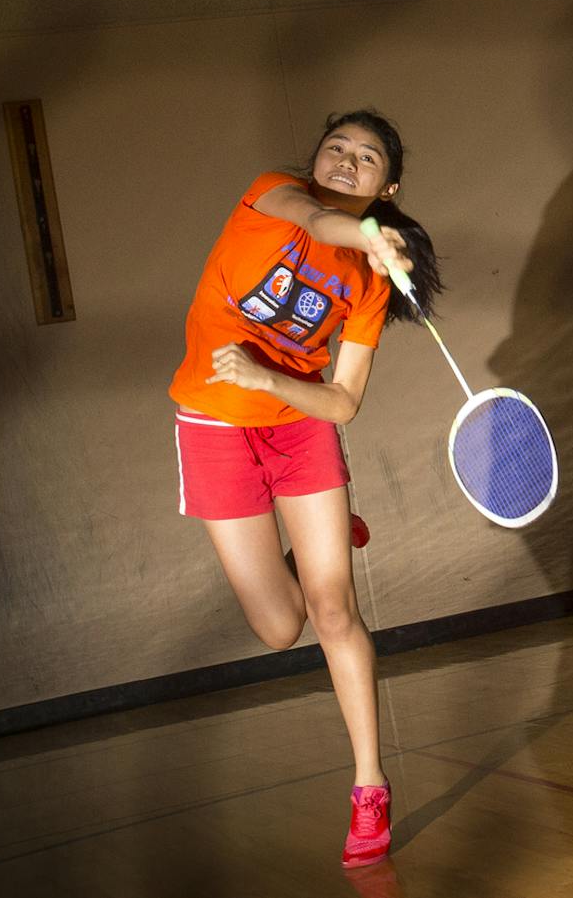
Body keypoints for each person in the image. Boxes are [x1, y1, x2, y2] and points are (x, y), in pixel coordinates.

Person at [168, 109, 442, 869]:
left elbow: (344, 400)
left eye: (367, 157)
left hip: (298, 428)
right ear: (314, 160)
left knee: (332, 609)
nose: (348, 160)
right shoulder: (271, 195)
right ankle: (321, 540)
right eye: (337, 148)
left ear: (388, 184)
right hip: (214, 427)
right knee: (278, 628)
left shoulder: (371, 285)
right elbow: (317, 217)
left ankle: (369, 786)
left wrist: (267, 377)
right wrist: (364, 234)